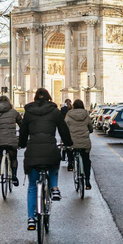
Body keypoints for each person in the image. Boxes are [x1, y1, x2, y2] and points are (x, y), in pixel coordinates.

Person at [19, 88, 74, 231]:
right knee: (54, 165)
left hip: (33, 151)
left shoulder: (29, 112)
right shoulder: (55, 111)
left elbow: (23, 131)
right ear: (49, 97)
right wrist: (68, 143)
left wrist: (22, 144)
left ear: (35, 98)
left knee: (32, 186)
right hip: (50, 148)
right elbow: (63, 129)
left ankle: (31, 218)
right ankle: (54, 187)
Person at [0, 95, 22, 186]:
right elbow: (22, 124)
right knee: (13, 158)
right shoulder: (14, 112)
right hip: (11, 139)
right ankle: (14, 176)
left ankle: (0, 168)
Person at [64, 99, 93, 190]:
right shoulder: (86, 114)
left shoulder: (69, 115)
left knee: (69, 148)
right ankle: (87, 181)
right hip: (84, 142)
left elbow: (65, 128)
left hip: (73, 142)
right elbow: (91, 128)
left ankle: (70, 163)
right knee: (86, 161)